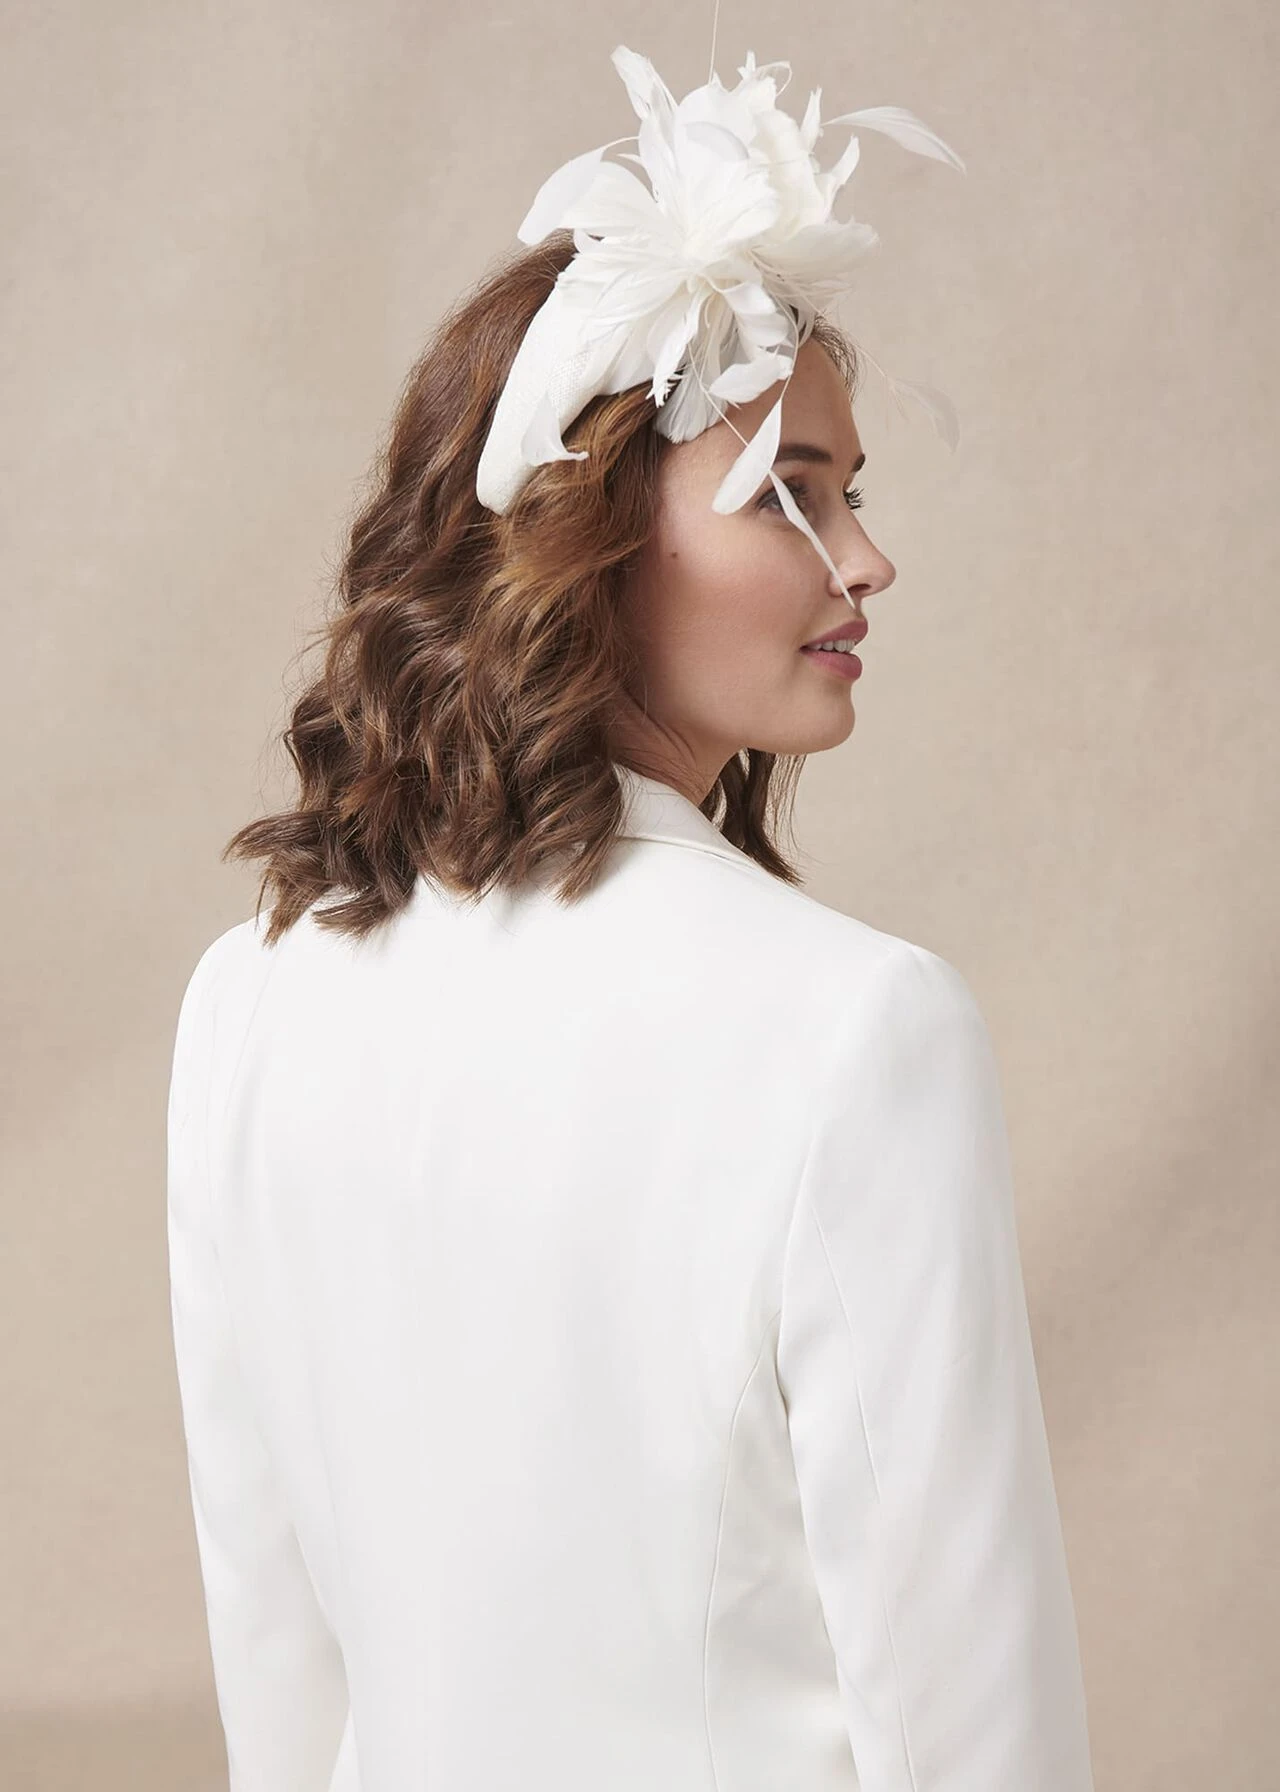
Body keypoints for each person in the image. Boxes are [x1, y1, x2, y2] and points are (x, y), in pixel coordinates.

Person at [166, 43, 1096, 1792]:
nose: (866, 560)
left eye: (856, 491)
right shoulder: (861, 1028)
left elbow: (273, 1661)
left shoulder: (249, 997)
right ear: (576, 533)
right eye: (794, 492)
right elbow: (973, 1720)